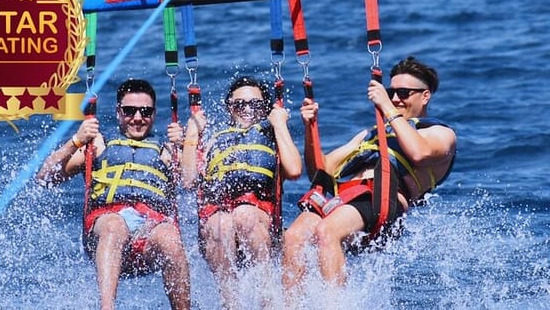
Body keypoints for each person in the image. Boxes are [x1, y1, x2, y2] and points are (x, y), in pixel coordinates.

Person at [282, 56, 457, 297]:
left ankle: (334, 305)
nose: (395, 98)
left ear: (425, 96)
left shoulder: (440, 132)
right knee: (293, 238)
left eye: (404, 93)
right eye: (391, 92)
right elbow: (320, 171)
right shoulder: (371, 134)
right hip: (345, 197)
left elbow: (419, 153)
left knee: (326, 232)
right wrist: (310, 127)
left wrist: (385, 106)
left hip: (381, 199)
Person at [36, 79, 191, 310]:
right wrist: (76, 141)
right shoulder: (97, 145)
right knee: (114, 224)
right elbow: (45, 177)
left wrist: (187, 143)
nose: (137, 118)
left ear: (154, 114)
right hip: (106, 229)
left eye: (145, 111)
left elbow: (189, 182)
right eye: (129, 111)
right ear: (118, 112)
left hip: (149, 234)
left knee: (169, 235)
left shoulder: (166, 151)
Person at [181, 75, 302, 309]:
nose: (247, 110)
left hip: (261, 223)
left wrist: (279, 124)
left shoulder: (272, 136)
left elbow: (295, 169)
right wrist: (191, 135)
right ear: (229, 108)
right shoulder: (213, 139)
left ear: (266, 109)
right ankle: (231, 304)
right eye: (240, 104)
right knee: (221, 222)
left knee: (244, 215)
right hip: (219, 230)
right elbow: (188, 181)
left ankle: (266, 300)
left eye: (256, 105)